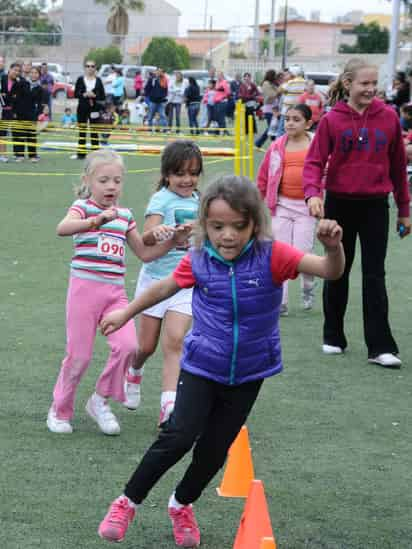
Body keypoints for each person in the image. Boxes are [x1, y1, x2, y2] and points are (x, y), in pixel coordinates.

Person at [97, 175, 344, 546]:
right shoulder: (199, 259)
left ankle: (181, 504)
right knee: (178, 435)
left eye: (238, 226)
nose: (227, 235)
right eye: (217, 227)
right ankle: (127, 501)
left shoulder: (272, 255)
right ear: (204, 225)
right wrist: (127, 312)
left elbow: (329, 271)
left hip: (249, 372)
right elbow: (164, 288)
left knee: (214, 450)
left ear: (255, 224)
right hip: (201, 365)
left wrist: (333, 249)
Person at [46, 149, 192, 436]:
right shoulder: (83, 208)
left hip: (115, 294)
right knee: (80, 356)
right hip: (83, 291)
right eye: (103, 180)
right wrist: (95, 221)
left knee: (128, 348)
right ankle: (60, 410)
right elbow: (62, 228)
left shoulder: (125, 216)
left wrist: (175, 241)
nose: (111, 186)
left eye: (116, 180)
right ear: (88, 180)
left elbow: (145, 253)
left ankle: (100, 401)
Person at [303, 57, 411, 367]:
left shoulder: (389, 117)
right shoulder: (331, 120)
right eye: (364, 83)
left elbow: (398, 169)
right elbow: (313, 162)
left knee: (375, 274)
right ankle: (333, 335)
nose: (371, 88)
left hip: (376, 205)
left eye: (374, 83)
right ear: (348, 84)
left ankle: (380, 347)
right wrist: (313, 194)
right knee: (338, 270)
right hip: (338, 204)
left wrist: (404, 210)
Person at [123, 140, 202, 426]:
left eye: (193, 173)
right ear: (167, 174)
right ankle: (134, 370)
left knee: (175, 341)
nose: (187, 180)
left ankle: (168, 408)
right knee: (146, 346)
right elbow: (145, 239)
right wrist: (160, 233)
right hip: (155, 281)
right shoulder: (161, 200)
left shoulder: (199, 201)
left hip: (184, 283)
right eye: (180, 174)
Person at [257, 104, 316, 315]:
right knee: (279, 254)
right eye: (287, 118)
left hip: (307, 208)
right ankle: (279, 302)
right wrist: (259, 199)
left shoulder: (316, 145)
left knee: (302, 253)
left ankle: (308, 285)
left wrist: (321, 198)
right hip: (280, 205)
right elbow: (264, 174)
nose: (290, 123)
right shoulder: (277, 146)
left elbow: (326, 173)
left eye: (296, 119)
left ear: (308, 123)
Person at [72, 60, 105, 160]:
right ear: (85, 68)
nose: (90, 68)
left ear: (95, 68)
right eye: (88, 66)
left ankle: (96, 154)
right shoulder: (80, 79)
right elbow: (75, 94)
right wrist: (84, 94)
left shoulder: (98, 80)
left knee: (94, 131)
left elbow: (103, 96)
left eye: (92, 66)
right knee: (82, 131)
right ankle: (81, 154)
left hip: (94, 108)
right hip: (82, 108)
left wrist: (95, 95)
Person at [276, 67, 306, 138]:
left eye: (289, 73)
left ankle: (278, 147)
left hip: (286, 110)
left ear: (292, 74)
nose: (287, 74)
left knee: (281, 130)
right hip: (298, 110)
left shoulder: (290, 82)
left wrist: (286, 81)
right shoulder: (304, 81)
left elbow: (279, 90)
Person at [27, 65, 47, 161]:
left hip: (34, 115)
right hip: (22, 113)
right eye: (32, 72)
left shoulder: (40, 89)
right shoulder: (24, 84)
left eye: (36, 73)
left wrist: (39, 115)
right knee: (21, 134)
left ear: (39, 75)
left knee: (32, 135)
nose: (33, 75)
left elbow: (41, 104)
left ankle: (32, 155)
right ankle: (19, 155)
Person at [255, 69, 279, 149]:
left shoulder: (272, 83)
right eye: (274, 75)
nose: (275, 77)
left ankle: (260, 142)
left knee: (271, 127)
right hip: (269, 108)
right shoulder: (266, 84)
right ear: (271, 76)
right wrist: (279, 92)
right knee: (271, 127)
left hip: (274, 107)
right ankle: (261, 142)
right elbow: (270, 94)